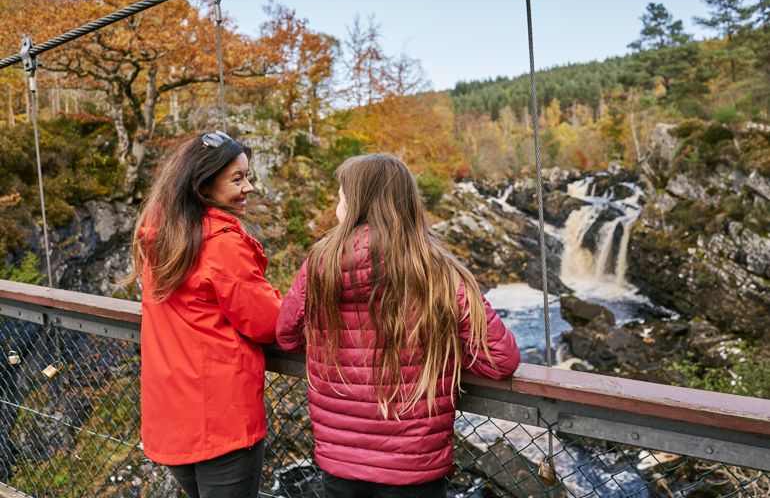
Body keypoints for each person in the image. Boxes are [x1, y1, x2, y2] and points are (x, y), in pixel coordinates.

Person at [276, 153, 521, 498]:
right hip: (412, 465)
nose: (336, 206)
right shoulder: (438, 270)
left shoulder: (319, 264)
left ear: (356, 203)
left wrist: (332, 340)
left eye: (340, 197)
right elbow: (501, 360)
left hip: (339, 459)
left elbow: (286, 335)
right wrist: (443, 349)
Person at [122, 131, 282, 498]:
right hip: (222, 419)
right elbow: (267, 323)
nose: (250, 187)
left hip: (172, 414)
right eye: (238, 178)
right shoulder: (221, 243)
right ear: (204, 186)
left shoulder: (163, 236)